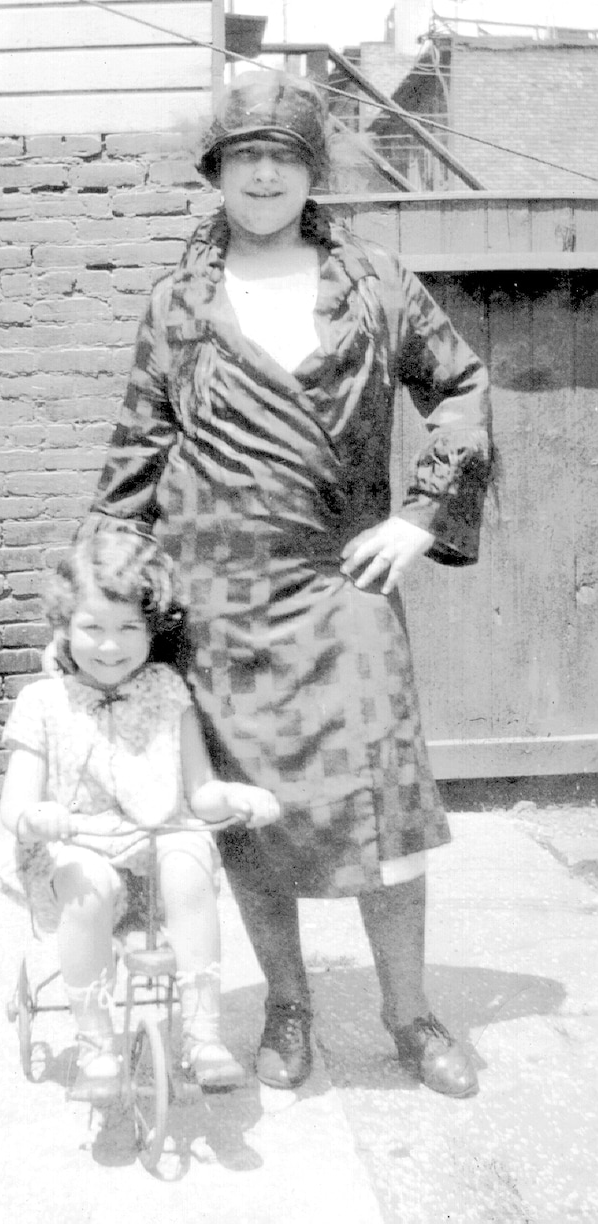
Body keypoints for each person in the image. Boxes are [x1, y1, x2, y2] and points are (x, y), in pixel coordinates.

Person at [88, 70, 492, 1098]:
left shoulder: (377, 282)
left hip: (341, 584)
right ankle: (288, 1007)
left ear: (312, 172)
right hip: (218, 604)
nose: (262, 173)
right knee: (249, 823)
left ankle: (411, 1017)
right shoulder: (176, 303)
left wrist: (421, 512)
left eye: (284, 155)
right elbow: (137, 451)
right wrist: (100, 592)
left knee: (385, 814)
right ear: (216, 172)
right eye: (243, 156)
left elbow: (457, 391)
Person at [0, 519, 280, 1103]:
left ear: (151, 629)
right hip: (74, 853)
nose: (110, 644)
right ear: (63, 627)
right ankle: (98, 1045)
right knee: (87, 881)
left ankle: (203, 1036)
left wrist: (237, 797)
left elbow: (200, 790)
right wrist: (36, 818)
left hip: (153, 858)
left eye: (129, 627)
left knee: (190, 848)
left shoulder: (167, 690)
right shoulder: (42, 702)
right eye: (92, 627)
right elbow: (16, 804)